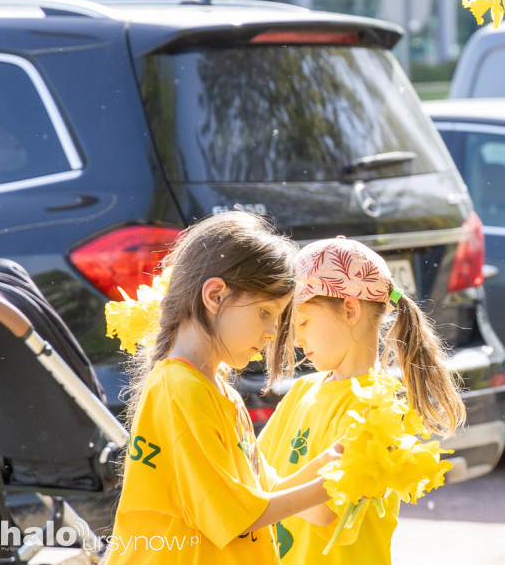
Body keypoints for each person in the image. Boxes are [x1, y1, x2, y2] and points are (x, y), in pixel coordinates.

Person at [109, 212, 339, 564]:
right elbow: (239, 515)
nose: (272, 332)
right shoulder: (181, 390)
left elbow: (267, 493)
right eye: (265, 312)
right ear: (215, 295)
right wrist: (330, 482)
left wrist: (336, 464)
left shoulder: (220, 392)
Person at [257, 237, 465, 564]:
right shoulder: (303, 390)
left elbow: (322, 508)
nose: (297, 338)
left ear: (350, 309)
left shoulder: (377, 410)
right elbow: (256, 465)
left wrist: (254, 491)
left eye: (303, 321)